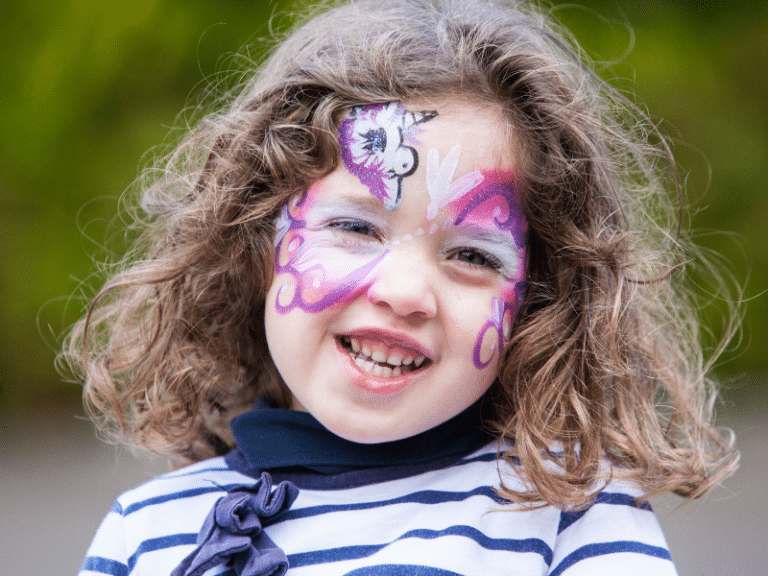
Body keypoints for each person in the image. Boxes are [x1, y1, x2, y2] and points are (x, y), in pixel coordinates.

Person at [63, 0, 739, 574]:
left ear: (538, 301)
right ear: (256, 246)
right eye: (355, 227)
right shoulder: (147, 534)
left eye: (473, 253)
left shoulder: (570, 512)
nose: (405, 291)